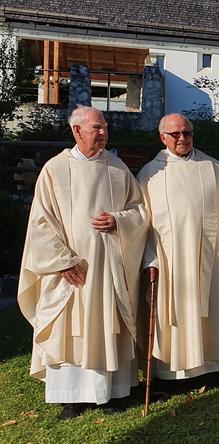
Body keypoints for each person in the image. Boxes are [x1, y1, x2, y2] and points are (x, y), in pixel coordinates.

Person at [17, 105, 148, 419]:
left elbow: (140, 211)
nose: (103, 133)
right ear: (76, 131)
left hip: (108, 270)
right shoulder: (55, 169)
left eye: (104, 128)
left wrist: (119, 221)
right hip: (71, 271)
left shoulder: (117, 167)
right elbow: (41, 222)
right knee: (70, 328)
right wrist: (62, 261)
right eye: (96, 128)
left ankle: (112, 393)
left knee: (108, 323)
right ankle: (70, 398)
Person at [136, 114, 219, 396]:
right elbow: (141, 224)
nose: (182, 138)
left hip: (214, 258)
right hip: (171, 261)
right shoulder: (150, 175)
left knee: (217, 311)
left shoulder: (212, 167)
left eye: (187, 133)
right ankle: (172, 376)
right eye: (175, 134)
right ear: (162, 137)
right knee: (176, 315)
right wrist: (149, 260)